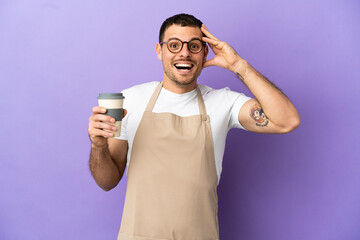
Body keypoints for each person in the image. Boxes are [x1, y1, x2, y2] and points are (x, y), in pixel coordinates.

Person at [88, 13, 300, 240]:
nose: (184, 53)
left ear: (205, 53)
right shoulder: (129, 101)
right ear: (159, 51)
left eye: (194, 46)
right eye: (174, 45)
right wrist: (98, 146)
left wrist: (239, 65)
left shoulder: (223, 102)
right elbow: (107, 182)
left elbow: (287, 120)